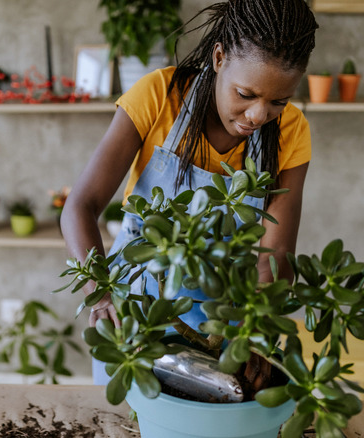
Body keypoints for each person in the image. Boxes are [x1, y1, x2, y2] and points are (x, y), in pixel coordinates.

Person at [61, 0, 319, 384]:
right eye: (245, 94)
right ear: (219, 57)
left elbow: (276, 254)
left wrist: (255, 333)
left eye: (278, 101)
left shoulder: (291, 131)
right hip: (136, 305)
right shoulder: (159, 94)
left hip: (223, 317)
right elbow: (81, 206)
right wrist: (100, 292)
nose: (258, 116)